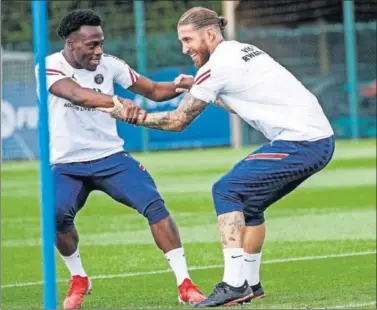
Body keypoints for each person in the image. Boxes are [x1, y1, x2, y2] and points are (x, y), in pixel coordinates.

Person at [102, 7, 336, 308]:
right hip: (316, 139)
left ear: (210, 34)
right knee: (250, 203)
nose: (185, 48)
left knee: (226, 190)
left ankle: (234, 285)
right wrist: (199, 87)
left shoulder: (217, 68)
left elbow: (177, 121)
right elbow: (241, 103)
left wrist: (133, 116)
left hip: (303, 142)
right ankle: (251, 283)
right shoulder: (241, 51)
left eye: (188, 39)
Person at [35, 9, 206, 309]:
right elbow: (76, 95)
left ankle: (185, 284)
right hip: (66, 164)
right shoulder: (48, 67)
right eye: (92, 45)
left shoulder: (111, 65)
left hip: (111, 158)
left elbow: (152, 90)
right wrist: (117, 102)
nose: (99, 51)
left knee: (155, 206)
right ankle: (79, 278)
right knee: (55, 216)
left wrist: (186, 85)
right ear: (72, 43)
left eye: (101, 43)